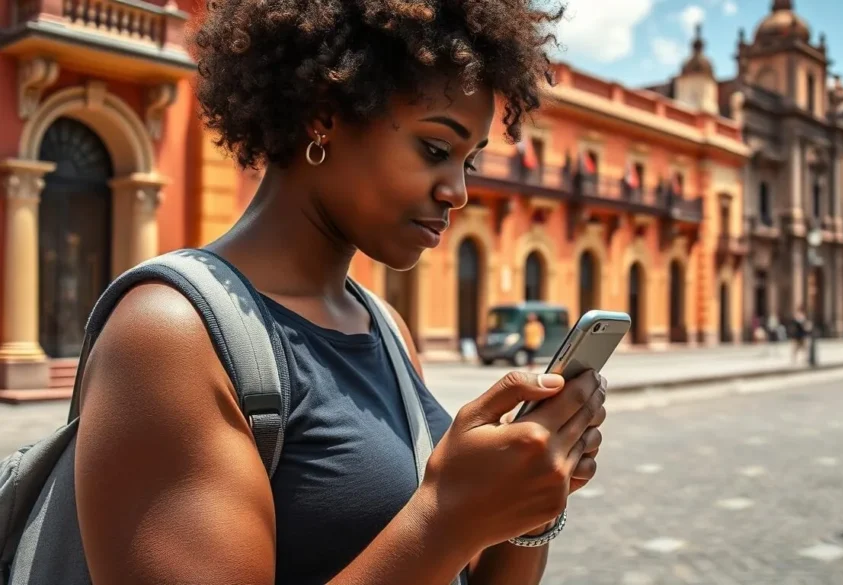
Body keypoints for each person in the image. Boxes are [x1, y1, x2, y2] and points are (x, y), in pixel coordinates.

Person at [73, 3, 607, 585]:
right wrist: (446, 516)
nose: (457, 192)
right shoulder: (170, 334)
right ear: (325, 115)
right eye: (435, 149)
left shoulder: (386, 327)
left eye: (469, 162)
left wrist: (525, 504)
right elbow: (435, 533)